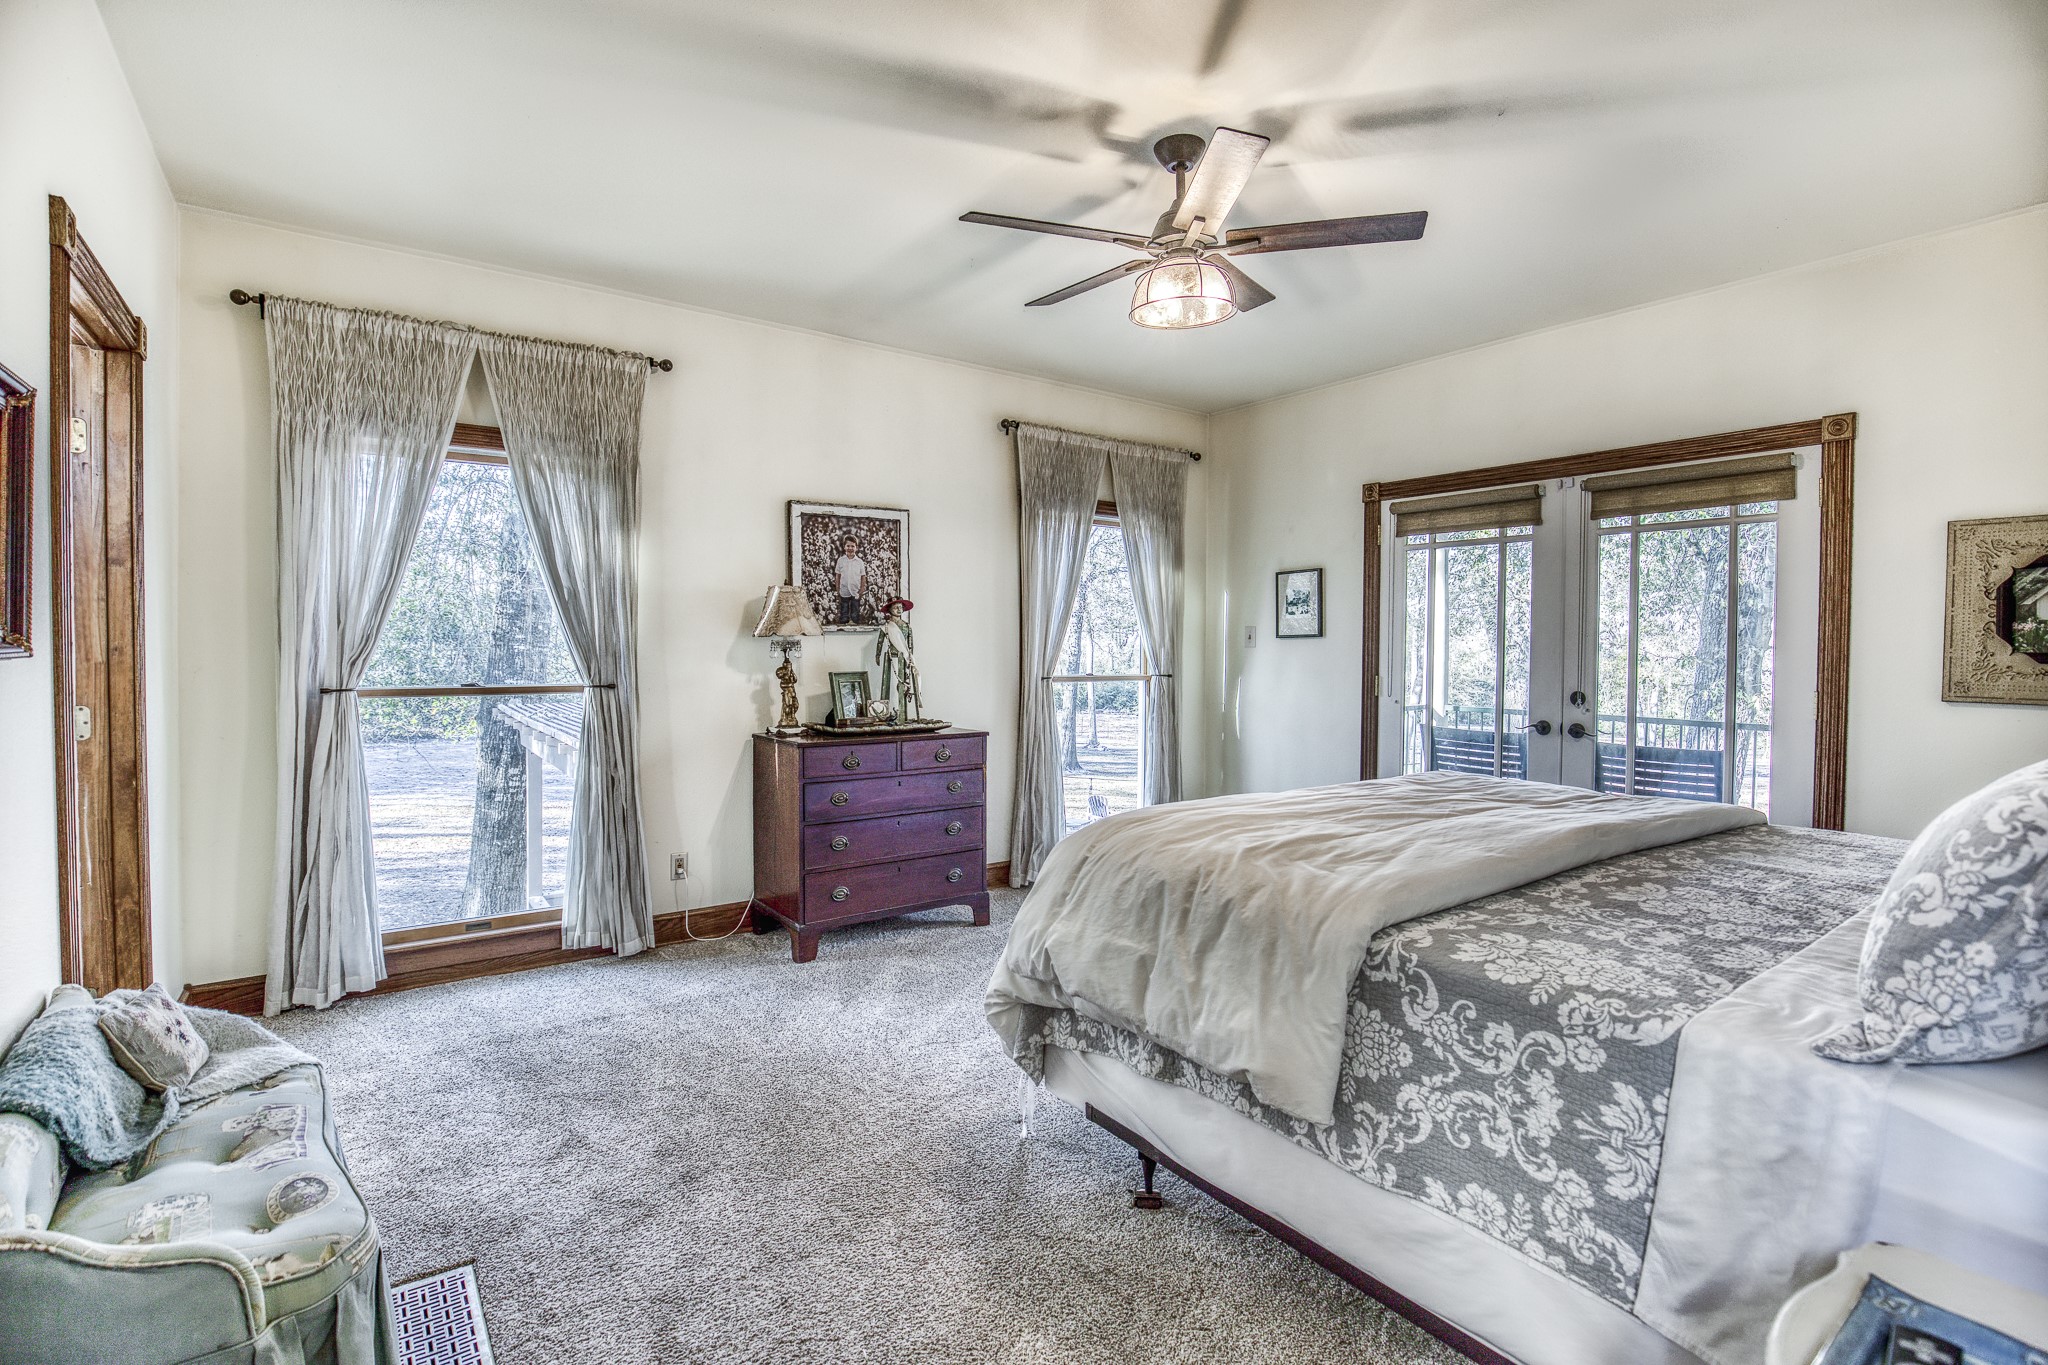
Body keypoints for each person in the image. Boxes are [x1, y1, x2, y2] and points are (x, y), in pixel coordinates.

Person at [876, 597, 921, 721]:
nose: (899, 609)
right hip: (891, 655)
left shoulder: (906, 626)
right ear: (890, 609)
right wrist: (878, 654)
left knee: (903, 684)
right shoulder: (886, 627)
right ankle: (886, 713)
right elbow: (880, 641)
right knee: (890, 683)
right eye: (896, 607)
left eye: (901, 607)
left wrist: (911, 657)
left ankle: (901, 715)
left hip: (904, 657)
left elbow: (910, 644)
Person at [833, 535, 866, 626]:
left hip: (855, 590)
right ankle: (843, 624)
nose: (850, 548)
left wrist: (862, 589)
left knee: (855, 610)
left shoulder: (859, 562)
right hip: (844, 589)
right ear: (844, 547)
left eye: (852, 546)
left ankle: (855, 624)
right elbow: (838, 575)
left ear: (856, 547)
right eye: (848, 546)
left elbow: (863, 576)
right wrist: (837, 588)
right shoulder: (841, 560)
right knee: (844, 609)